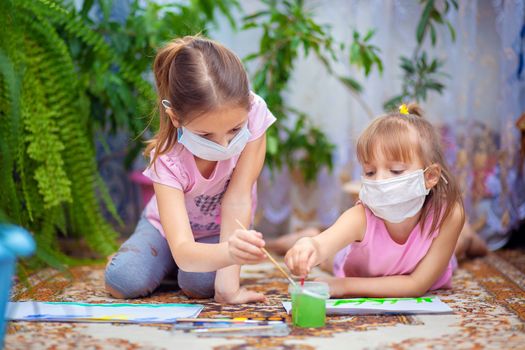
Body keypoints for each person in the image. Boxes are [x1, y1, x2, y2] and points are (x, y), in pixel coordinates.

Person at [105, 35, 275, 304]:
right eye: (206, 135)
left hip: (216, 232)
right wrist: (227, 253)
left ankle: (166, 264)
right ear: (175, 117)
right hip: (164, 228)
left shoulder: (255, 114)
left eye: (234, 130)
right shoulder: (166, 160)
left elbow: (238, 197)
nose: (225, 146)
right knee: (123, 281)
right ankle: (151, 255)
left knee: (200, 285)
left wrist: (228, 289)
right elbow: (184, 250)